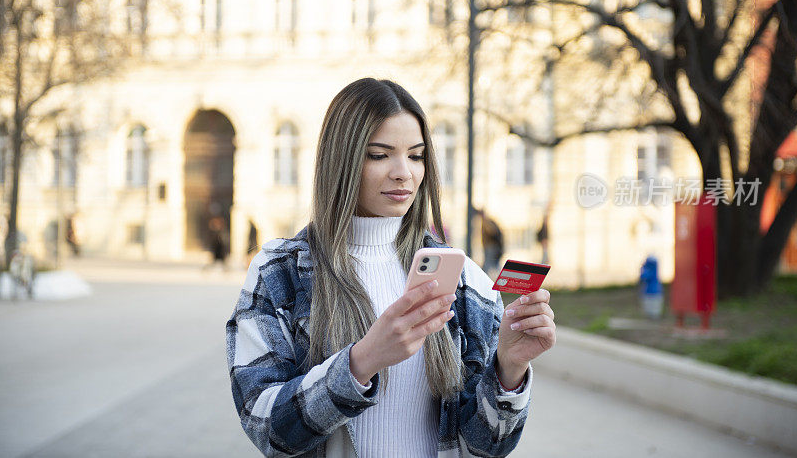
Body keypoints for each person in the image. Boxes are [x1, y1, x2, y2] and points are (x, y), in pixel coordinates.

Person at [226, 78, 556, 457]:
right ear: (341, 160)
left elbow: (485, 448)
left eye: (416, 156)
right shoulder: (279, 272)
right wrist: (362, 361)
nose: (404, 173)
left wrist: (509, 370)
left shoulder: (465, 280)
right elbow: (266, 427)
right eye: (380, 155)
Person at [475, 209, 504, 277]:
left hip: (491, 247)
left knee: (488, 265)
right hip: (492, 246)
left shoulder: (486, 221)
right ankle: (500, 279)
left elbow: (492, 231)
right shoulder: (488, 221)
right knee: (493, 264)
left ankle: (483, 279)